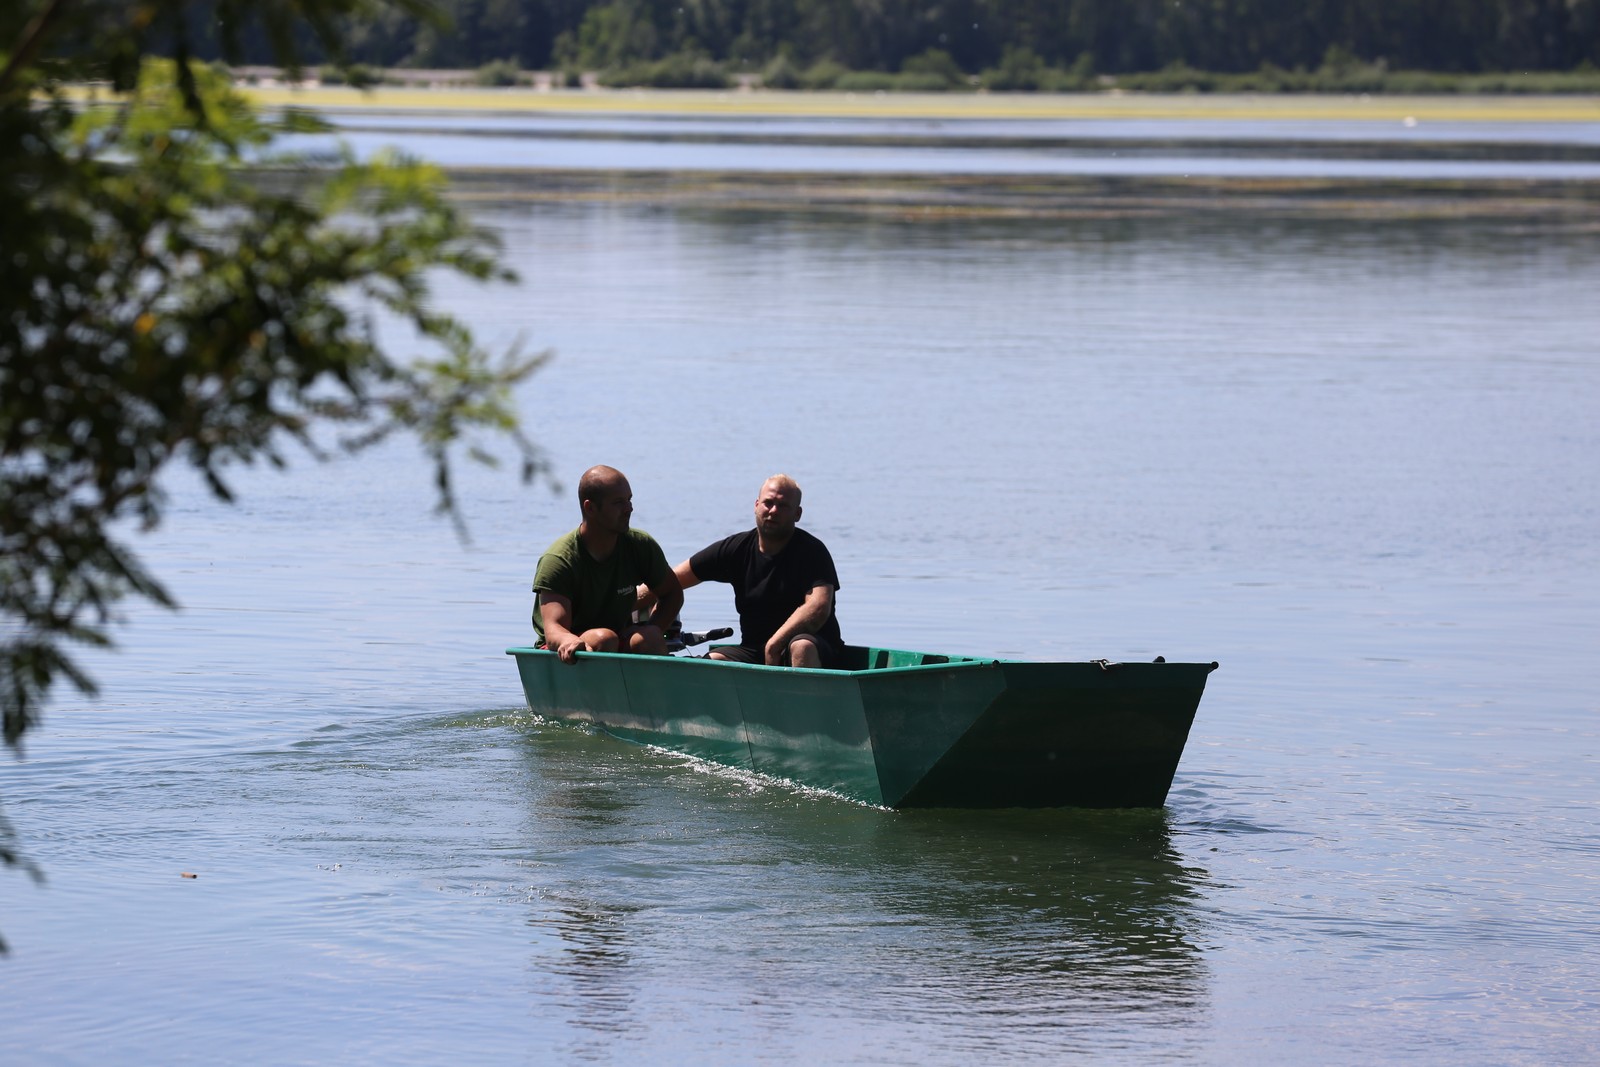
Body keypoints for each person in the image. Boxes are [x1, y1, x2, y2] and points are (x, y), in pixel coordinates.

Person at [659, 474, 845, 668]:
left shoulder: (812, 551)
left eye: (783, 506)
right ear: (756, 505)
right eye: (768, 503)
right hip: (754, 649)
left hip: (815, 647)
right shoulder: (736, 549)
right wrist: (634, 602)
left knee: (801, 647)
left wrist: (775, 645)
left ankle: (804, 697)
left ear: (797, 514)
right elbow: (669, 581)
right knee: (712, 663)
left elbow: (818, 607)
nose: (773, 511)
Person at [532, 465, 683, 665]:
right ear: (590, 508)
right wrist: (568, 639)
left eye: (629, 500)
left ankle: (648, 695)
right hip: (563, 649)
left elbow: (672, 593)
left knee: (651, 638)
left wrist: (651, 627)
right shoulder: (559, 559)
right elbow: (554, 630)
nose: (629, 508)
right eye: (618, 503)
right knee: (603, 638)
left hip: (614, 639)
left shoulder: (640, 545)